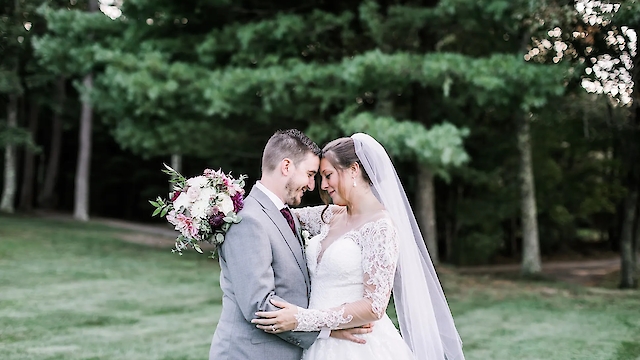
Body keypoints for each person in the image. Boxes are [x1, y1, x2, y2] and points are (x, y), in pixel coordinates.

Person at [251, 133, 465, 360]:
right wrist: (223, 209)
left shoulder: (381, 227)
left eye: (328, 175)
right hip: (319, 342)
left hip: (358, 347)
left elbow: (374, 306)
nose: (322, 185)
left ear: (353, 170)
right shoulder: (329, 216)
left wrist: (302, 319)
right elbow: (273, 217)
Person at [209, 129, 371, 360]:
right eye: (310, 174)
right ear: (286, 167)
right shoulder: (249, 219)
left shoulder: (284, 215)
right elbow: (260, 307)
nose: (312, 185)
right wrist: (328, 329)